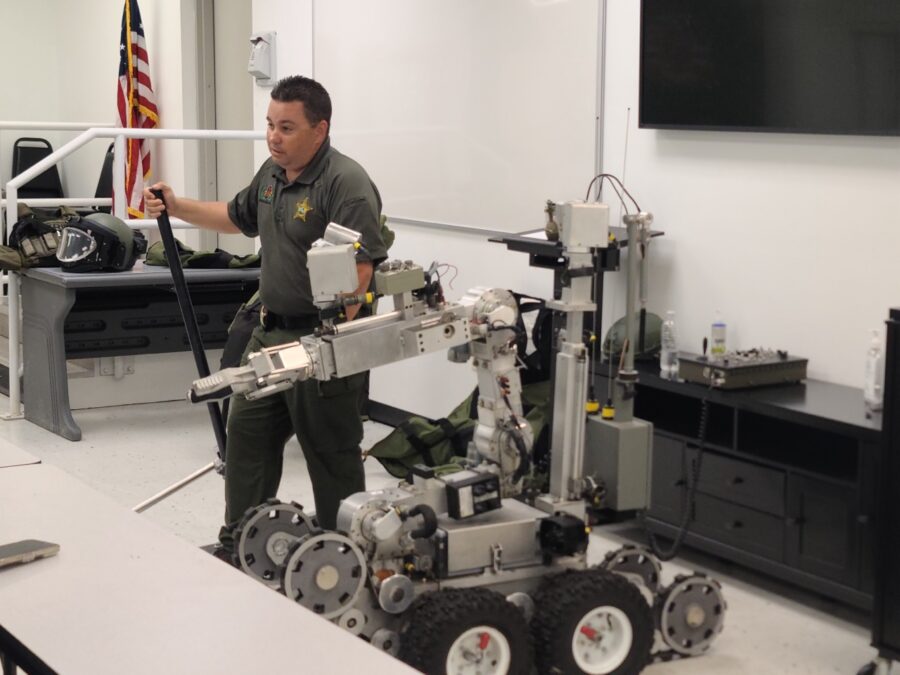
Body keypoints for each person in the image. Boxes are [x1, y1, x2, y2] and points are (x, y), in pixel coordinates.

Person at [144, 75, 388, 560]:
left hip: (322, 343)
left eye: (287, 127)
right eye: (270, 125)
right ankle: (244, 547)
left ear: (320, 130)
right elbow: (237, 218)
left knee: (331, 457)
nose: (274, 137)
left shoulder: (347, 184)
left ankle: (347, 558)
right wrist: (176, 206)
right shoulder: (272, 174)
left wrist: (324, 348)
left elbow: (358, 277)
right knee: (246, 442)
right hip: (269, 334)